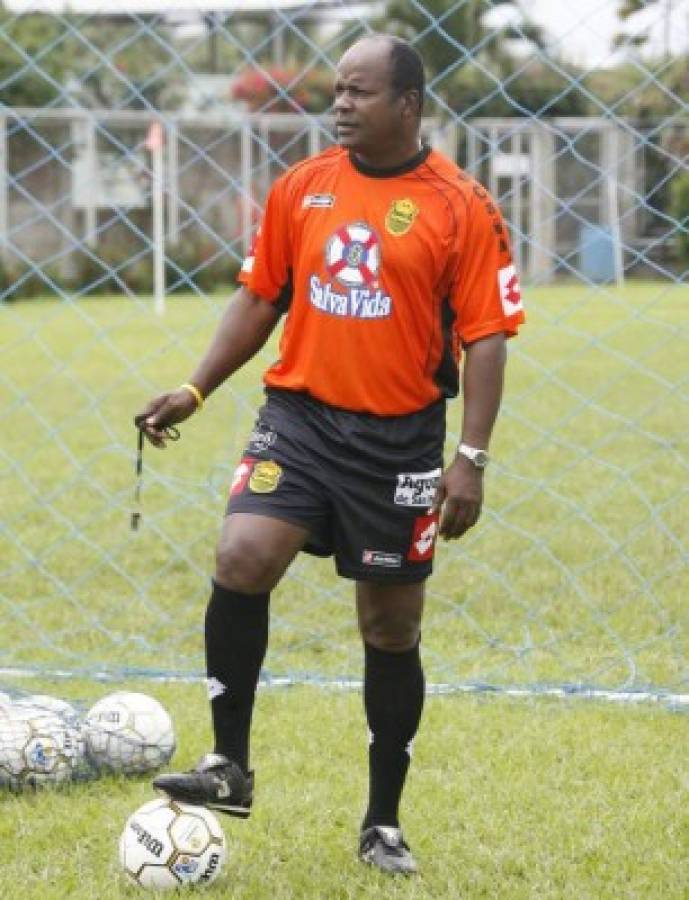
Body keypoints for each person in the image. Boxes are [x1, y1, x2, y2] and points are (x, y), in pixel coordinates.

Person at [134, 33, 524, 876]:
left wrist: (472, 459)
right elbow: (259, 295)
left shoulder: (460, 205)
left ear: (408, 105)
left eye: (359, 92)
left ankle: (381, 821)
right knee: (241, 555)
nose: (341, 105)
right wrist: (193, 389)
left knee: (390, 627)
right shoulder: (301, 188)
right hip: (299, 421)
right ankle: (228, 765)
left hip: (400, 443)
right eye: (337, 91)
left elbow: (487, 339)